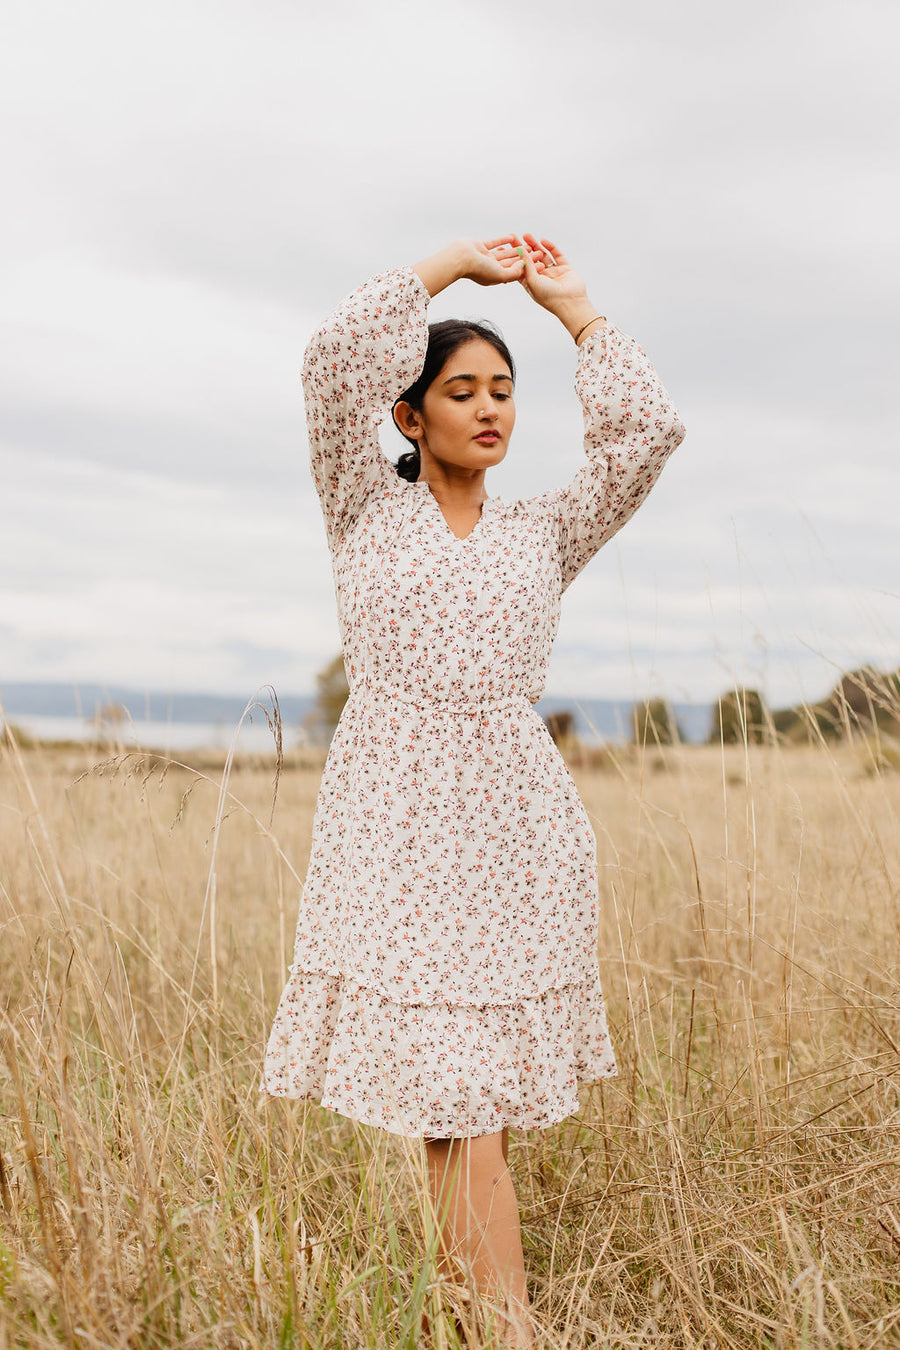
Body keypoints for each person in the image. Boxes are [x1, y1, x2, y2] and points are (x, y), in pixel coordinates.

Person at [263, 233, 685, 1346]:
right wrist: (451, 265)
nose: (491, 410)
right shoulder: (362, 504)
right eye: (461, 391)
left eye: (504, 391)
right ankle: (508, 1331)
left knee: (472, 1113)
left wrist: (576, 310)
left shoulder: (544, 531)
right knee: (454, 1105)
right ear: (411, 418)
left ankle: (496, 1328)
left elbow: (647, 435)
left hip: (514, 838)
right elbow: (332, 359)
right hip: (397, 830)